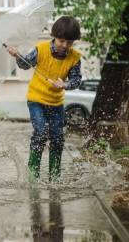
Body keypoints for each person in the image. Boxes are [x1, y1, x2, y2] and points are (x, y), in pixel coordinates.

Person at [7, 16, 82, 182]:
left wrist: (65, 85)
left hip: (56, 103)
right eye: (62, 41)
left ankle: (54, 178)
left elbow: (77, 80)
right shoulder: (41, 49)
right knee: (41, 133)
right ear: (54, 36)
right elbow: (25, 64)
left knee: (57, 138)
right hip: (36, 100)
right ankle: (33, 177)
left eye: (69, 42)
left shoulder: (74, 57)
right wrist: (17, 55)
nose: (65, 46)